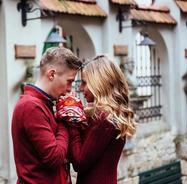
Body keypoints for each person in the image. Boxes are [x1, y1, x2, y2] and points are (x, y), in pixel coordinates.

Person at [57, 55, 137, 184]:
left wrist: (72, 121)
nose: (80, 88)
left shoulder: (105, 119)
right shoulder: (107, 115)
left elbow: (79, 162)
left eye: (84, 82)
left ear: (99, 83)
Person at [11, 47, 82, 184]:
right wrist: (64, 119)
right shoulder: (31, 106)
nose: (70, 89)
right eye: (69, 81)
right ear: (51, 75)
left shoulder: (46, 103)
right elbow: (54, 158)